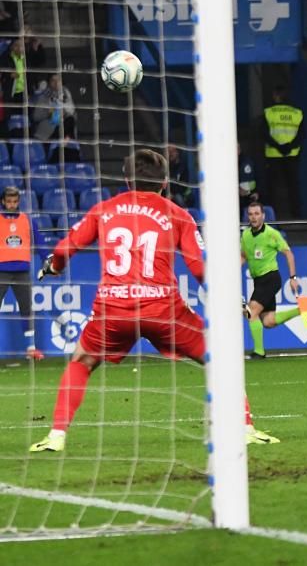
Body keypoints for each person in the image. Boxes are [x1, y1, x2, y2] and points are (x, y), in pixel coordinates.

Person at [31, 151, 278, 452]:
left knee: (81, 362)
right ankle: (246, 428)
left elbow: (64, 248)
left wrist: (54, 267)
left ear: (126, 179)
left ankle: (56, 436)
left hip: (114, 308)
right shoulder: (178, 214)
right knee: (221, 359)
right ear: (164, 182)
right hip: (164, 310)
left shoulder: (103, 210)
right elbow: (199, 268)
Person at [241, 202, 301, 359]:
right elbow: (244, 256)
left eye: (256, 213)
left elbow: (288, 254)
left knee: (250, 312)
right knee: (268, 321)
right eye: (251, 214)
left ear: (263, 215)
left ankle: (259, 352)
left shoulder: (271, 234)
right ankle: (301, 310)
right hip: (258, 281)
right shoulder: (245, 235)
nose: (253, 217)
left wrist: (293, 277)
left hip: (270, 278)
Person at [0, 186, 38, 359]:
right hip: (2, 272)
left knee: (26, 309)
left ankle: (31, 349)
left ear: (18, 202)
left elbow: (40, 242)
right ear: (3, 202)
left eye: (15, 201)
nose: (12, 205)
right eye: (9, 201)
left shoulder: (27, 220)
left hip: (22, 272)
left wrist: (50, 260)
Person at [262, 86, 303, 219]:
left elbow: (264, 134)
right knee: (293, 186)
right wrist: (289, 146)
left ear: (275, 95)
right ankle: (296, 216)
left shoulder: (269, 112)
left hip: (273, 154)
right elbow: (302, 134)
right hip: (292, 155)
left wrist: (278, 147)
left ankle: (271, 217)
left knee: (272, 188)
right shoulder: (297, 113)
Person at [31, 72, 76, 143]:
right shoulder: (44, 96)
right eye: (53, 80)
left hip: (62, 128)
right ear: (49, 83)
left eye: (58, 80)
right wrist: (48, 113)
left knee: (70, 120)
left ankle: (67, 144)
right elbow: (35, 116)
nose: (56, 83)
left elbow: (72, 111)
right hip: (48, 133)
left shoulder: (65, 94)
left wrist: (63, 112)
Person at [237, 142, 258, 210]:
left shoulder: (247, 162)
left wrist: (256, 192)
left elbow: (244, 189)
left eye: (237, 149)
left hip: (248, 196)